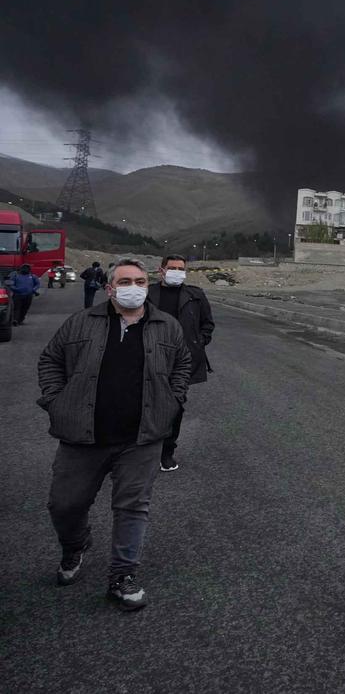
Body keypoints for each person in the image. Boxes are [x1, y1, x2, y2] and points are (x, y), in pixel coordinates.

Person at [37, 258, 192, 611]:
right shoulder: (80, 322)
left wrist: (173, 399)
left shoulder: (166, 326)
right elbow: (50, 360)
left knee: (132, 507)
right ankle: (76, 544)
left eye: (140, 281)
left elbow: (182, 363)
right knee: (65, 504)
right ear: (109, 289)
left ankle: (123, 575)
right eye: (124, 282)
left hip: (142, 437)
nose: (133, 288)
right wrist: (56, 401)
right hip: (83, 436)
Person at [147, 254, 214, 472]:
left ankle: (166, 451)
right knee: (145, 403)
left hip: (182, 362)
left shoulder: (195, 295)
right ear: (161, 270)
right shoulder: (147, 293)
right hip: (149, 357)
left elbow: (207, 324)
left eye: (180, 268)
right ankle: (141, 450)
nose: (177, 272)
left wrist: (198, 342)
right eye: (172, 268)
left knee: (174, 406)